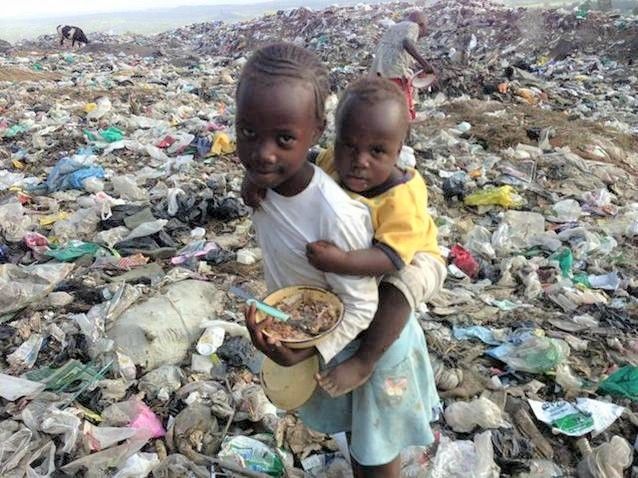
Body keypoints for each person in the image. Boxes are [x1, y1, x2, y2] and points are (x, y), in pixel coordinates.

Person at [238, 43, 439, 477]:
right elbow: (288, 170)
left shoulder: (372, 205)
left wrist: (343, 263)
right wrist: (253, 182)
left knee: (375, 450)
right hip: (341, 313)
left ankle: (364, 362)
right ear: (330, 137)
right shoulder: (314, 169)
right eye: (249, 134)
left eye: (283, 139)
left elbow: (385, 266)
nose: (264, 154)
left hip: (404, 263)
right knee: (362, 439)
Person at [371, 11, 435, 120]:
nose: (425, 31)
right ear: (422, 24)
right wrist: (425, 65)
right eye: (426, 27)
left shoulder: (396, 27)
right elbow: (407, 43)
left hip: (379, 67)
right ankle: (405, 121)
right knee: (402, 97)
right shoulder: (414, 26)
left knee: (387, 98)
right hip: (394, 69)